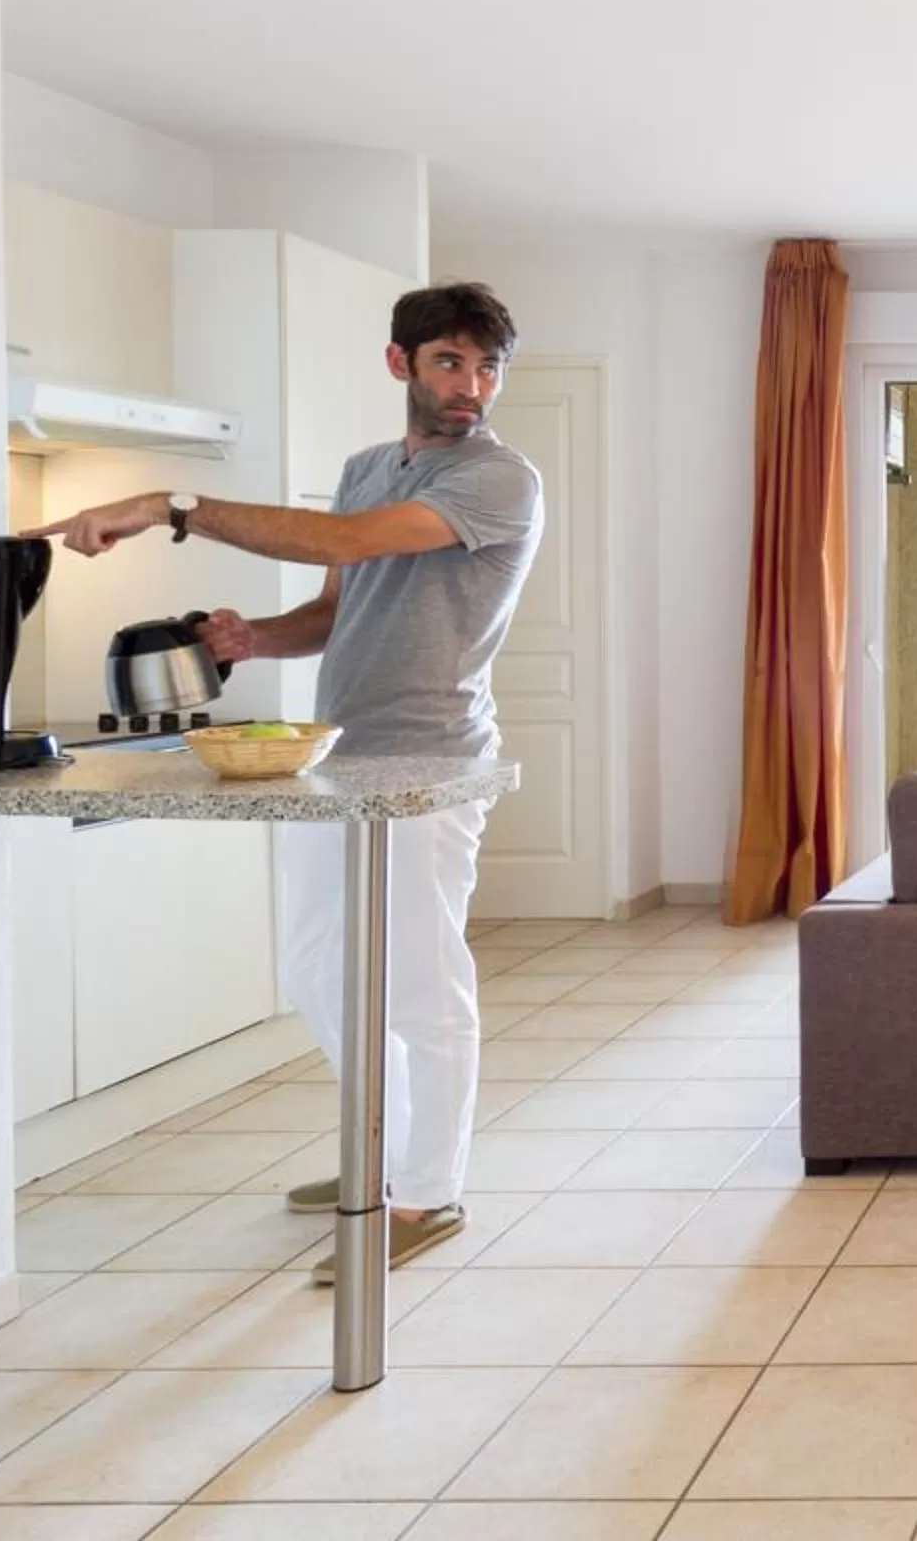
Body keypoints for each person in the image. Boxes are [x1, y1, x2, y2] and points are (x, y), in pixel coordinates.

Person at [30, 281, 543, 1277]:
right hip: (339, 748)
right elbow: (339, 601)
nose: (471, 385)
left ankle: (429, 1192)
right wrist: (255, 639)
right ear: (401, 363)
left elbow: (351, 541)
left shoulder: (500, 479)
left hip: (434, 759)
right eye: (450, 361)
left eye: (487, 367)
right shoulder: (364, 469)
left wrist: (168, 506)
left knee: (424, 982)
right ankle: (382, 1157)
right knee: (318, 963)